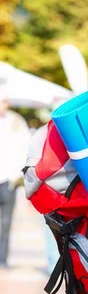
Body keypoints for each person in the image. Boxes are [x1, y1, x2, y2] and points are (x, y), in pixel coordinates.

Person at [0, 81, 30, 269]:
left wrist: (14, 175)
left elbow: (25, 148)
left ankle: (2, 259)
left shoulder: (16, 122)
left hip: (7, 179)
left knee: (5, 222)